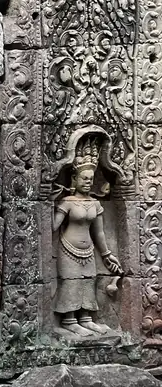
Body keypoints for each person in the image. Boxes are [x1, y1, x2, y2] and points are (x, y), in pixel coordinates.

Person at [53, 141, 121, 337]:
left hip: (88, 250)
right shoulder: (67, 202)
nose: (88, 182)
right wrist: (50, 201)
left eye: (91, 179)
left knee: (89, 282)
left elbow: (99, 233)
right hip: (67, 249)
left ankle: (86, 319)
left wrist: (107, 255)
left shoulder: (95, 203)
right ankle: (69, 320)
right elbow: (54, 227)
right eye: (84, 178)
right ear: (74, 178)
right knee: (71, 283)